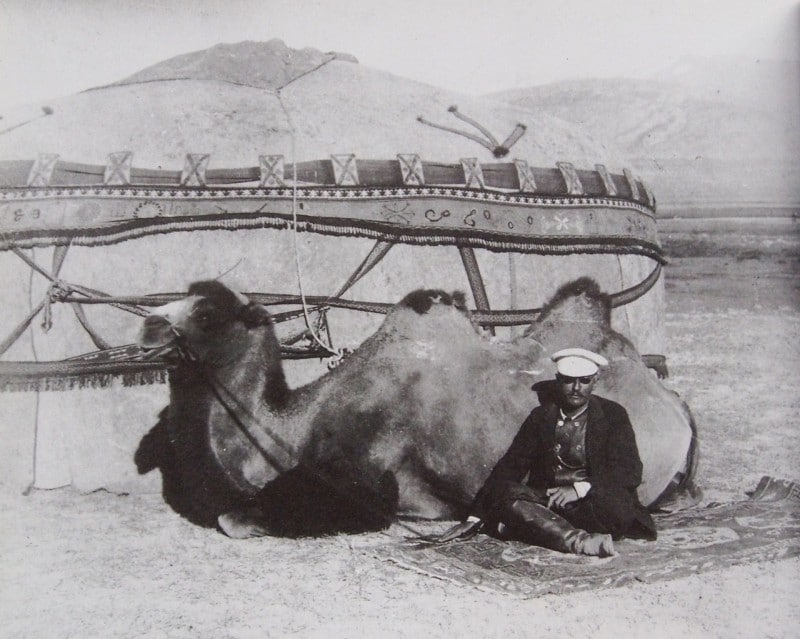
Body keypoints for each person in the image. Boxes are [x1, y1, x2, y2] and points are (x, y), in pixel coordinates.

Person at [435, 348, 656, 557]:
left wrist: (578, 489)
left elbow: (630, 471)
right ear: (558, 380)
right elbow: (510, 466)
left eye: (584, 381)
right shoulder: (541, 416)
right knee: (503, 492)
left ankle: (535, 530)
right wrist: (474, 518)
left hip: (593, 503)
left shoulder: (613, 414)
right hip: (549, 503)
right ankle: (579, 542)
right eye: (569, 380)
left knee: (617, 506)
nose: (576, 388)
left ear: (595, 382)